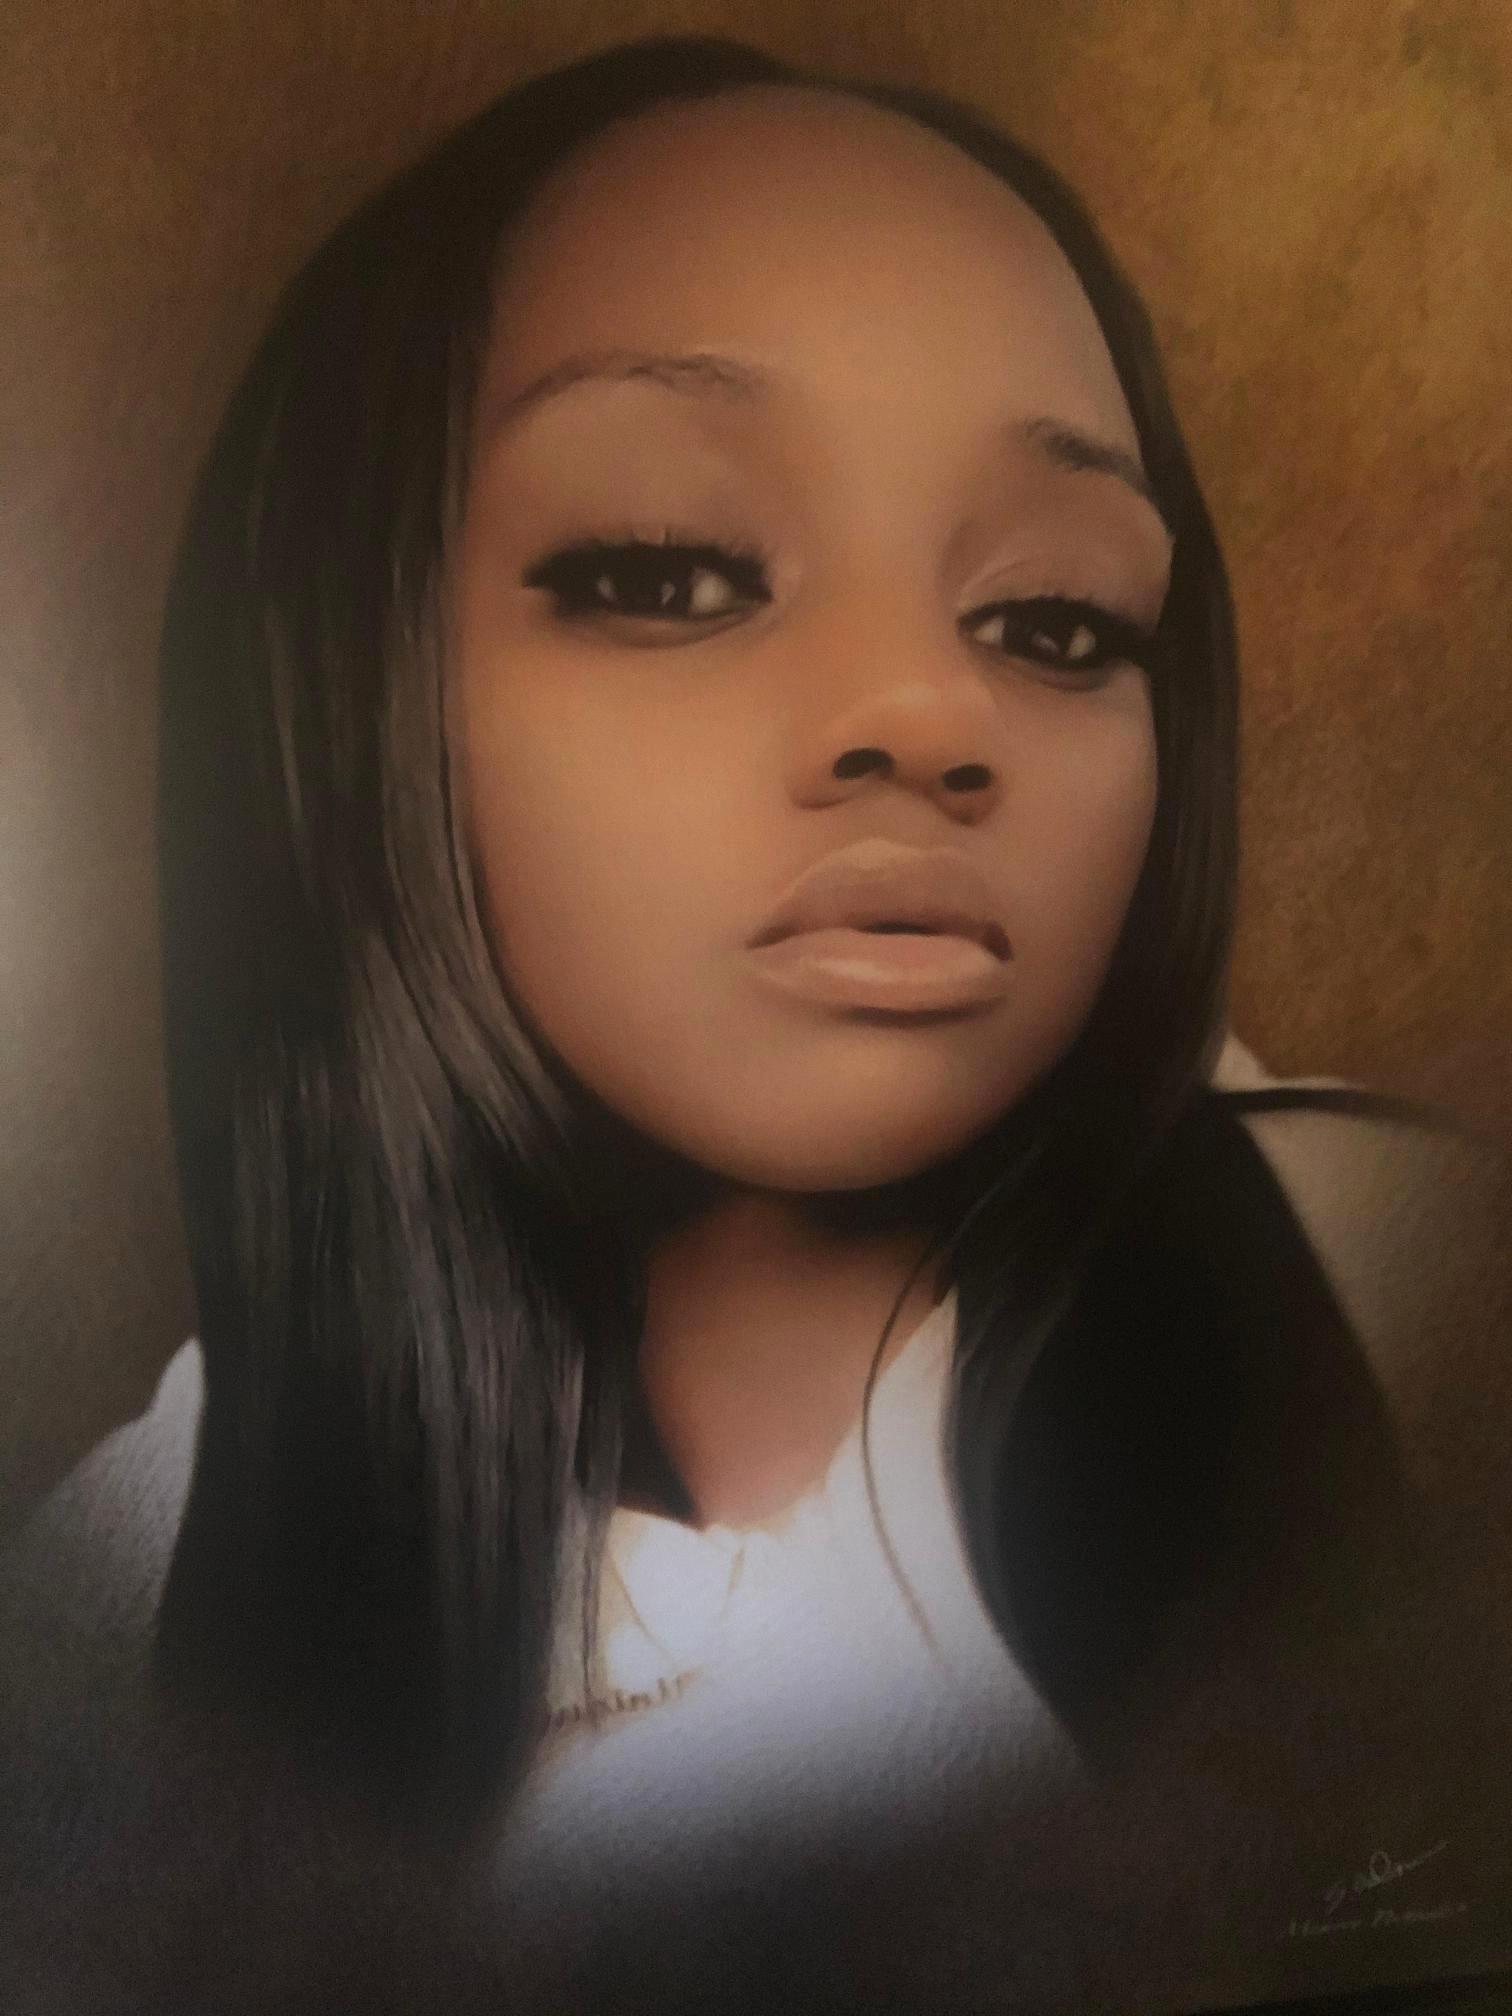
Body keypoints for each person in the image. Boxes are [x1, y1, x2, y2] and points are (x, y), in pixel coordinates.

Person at [4, 32, 1509, 2016]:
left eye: (1054, 623)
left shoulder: (1412, 1292)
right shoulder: (125, 1595)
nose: (932, 712)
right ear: (346, 682)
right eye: (670, 572)